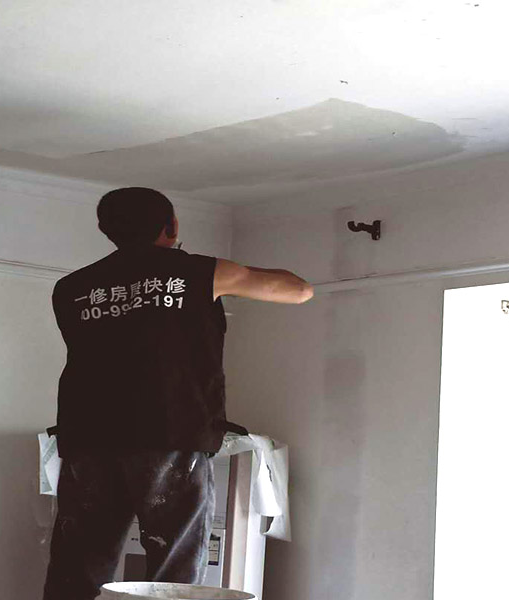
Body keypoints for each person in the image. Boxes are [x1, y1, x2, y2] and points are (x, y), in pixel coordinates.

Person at [43, 187, 313, 600]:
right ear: (171, 226)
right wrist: (217, 268)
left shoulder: (71, 287)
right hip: (168, 433)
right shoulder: (198, 273)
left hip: (88, 438)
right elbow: (299, 289)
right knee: (172, 572)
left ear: (105, 229)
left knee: (77, 569)